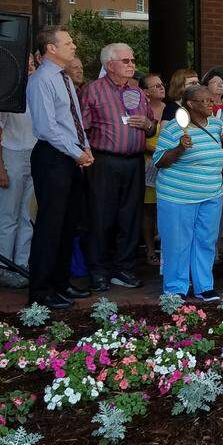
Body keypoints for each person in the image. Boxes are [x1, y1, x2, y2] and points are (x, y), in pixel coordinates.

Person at [25, 27, 94, 310]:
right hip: (53, 157)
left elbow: (73, 119)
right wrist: (78, 152)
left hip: (70, 157)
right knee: (50, 227)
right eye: (68, 42)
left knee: (68, 225)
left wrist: (85, 148)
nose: (74, 45)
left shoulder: (64, 78)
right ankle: (41, 292)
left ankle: (60, 282)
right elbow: (47, 127)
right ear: (51, 49)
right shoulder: (42, 80)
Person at [79, 42, 154, 292]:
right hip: (104, 162)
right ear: (109, 65)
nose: (132, 65)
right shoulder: (93, 90)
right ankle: (98, 271)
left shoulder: (139, 93)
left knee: (130, 218)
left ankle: (124, 269)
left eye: (133, 60)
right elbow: (82, 129)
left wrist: (147, 124)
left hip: (134, 161)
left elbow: (152, 125)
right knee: (101, 217)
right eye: (126, 61)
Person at [153, 82, 223, 303]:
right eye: (205, 101)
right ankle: (176, 288)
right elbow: (159, 161)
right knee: (177, 243)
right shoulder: (174, 128)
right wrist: (179, 148)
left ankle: (204, 286)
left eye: (211, 100)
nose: (210, 104)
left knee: (206, 240)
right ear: (190, 104)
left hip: (212, 194)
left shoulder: (215, 125)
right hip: (178, 196)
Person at [0, 55, 38, 290]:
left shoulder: (37, 92)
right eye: (24, 64)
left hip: (34, 154)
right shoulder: (5, 94)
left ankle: (22, 263)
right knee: (8, 214)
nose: (29, 69)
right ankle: (3, 267)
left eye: (31, 65)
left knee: (29, 214)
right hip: (11, 154)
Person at [140, 72, 166, 265]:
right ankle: (150, 250)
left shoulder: (172, 109)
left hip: (168, 164)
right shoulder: (141, 110)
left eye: (161, 84)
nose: (161, 87)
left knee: (165, 208)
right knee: (149, 209)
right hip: (148, 163)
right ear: (145, 92)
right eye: (156, 85)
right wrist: (161, 150)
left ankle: (166, 248)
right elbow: (137, 140)